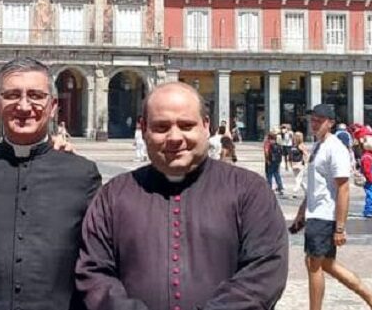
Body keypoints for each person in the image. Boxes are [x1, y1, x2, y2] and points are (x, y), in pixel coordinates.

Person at [76, 82, 288, 310]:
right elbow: (94, 272)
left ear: (206, 126)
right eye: (161, 127)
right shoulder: (114, 196)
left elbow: (264, 271)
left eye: (186, 125)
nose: (174, 137)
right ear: (144, 128)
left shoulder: (250, 191)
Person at [0, 58, 101, 310]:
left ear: (53, 105)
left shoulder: (82, 173)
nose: (24, 106)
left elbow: (104, 255)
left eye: (36, 95)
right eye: (12, 95)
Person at [290, 104, 372, 310]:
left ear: (330, 123)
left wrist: (340, 227)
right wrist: (301, 214)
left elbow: (343, 189)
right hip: (315, 213)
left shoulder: (334, 148)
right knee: (327, 264)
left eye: (319, 120)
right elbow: (314, 187)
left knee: (314, 265)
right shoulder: (319, 146)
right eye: (312, 120)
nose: (314, 124)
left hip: (325, 215)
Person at [289, 131, 309, 198]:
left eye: (295, 136)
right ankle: (307, 192)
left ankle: (294, 192)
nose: (294, 137)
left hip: (299, 164)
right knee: (298, 180)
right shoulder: (293, 145)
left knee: (298, 180)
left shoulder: (301, 145)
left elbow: (306, 154)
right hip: (294, 164)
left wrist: (306, 163)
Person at [265, 129, 285, 196]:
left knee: (269, 175)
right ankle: (280, 187)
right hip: (277, 161)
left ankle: (269, 188)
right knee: (277, 174)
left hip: (270, 161)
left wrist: (267, 160)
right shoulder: (277, 143)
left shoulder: (268, 143)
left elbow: (266, 152)